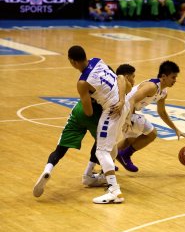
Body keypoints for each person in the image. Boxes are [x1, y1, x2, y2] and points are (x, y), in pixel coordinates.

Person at [33, 62, 136, 199]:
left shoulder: (88, 79)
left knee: (61, 148)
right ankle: (91, 175)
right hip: (95, 114)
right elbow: (91, 111)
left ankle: (48, 169)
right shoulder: (113, 80)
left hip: (78, 111)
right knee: (102, 145)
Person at [117, 61, 185, 172]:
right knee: (152, 134)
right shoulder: (152, 86)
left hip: (129, 112)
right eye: (173, 77)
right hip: (124, 110)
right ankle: (125, 155)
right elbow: (131, 100)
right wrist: (128, 119)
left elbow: (162, 112)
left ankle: (105, 158)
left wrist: (176, 129)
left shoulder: (164, 92)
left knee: (129, 141)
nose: (175, 80)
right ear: (164, 76)